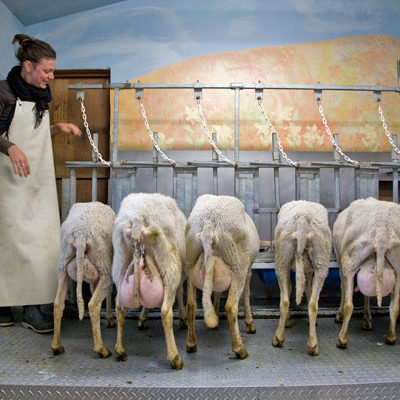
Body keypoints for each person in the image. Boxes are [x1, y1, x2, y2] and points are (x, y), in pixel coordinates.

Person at [0, 34, 82, 333]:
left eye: (53, 70)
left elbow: (34, 136)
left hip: (37, 182)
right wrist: (10, 146)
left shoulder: (40, 96)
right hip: (9, 182)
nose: (51, 76)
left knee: (43, 242)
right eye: (47, 70)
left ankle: (35, 304)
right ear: (27, 66)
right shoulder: (4, 94)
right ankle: (12, 308)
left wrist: (57, 128)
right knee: (11, 244)